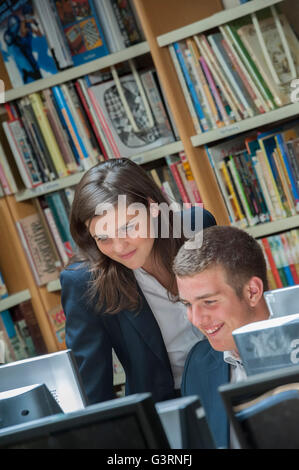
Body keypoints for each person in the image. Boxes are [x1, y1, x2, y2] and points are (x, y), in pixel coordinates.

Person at [60, 158, 217, 406]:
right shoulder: (84, 282)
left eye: (128, 228)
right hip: (168, 407)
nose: (119, 247)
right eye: (104, 238)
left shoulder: (197, 228)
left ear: (152, 207)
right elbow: (92, 392)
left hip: (233, 379)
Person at [173, 225, 270, 448]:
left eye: (209, 302)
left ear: (252, 292)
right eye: (188, 304)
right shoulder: (197, 365)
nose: (196, 320)